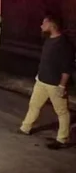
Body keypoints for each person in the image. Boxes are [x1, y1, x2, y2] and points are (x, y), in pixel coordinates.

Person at [19, 14, 74, 150]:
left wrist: (62, 85)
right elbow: (45, 61)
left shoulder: (64, 44)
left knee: (62, 112)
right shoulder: (49, 40)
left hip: (55, 84)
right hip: (42, 81)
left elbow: (67, 67)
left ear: (52, 25)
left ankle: (62, 139)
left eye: (44, 23)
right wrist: (39, 75)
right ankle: (25, 128)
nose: (41, 26)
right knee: (34, 105)